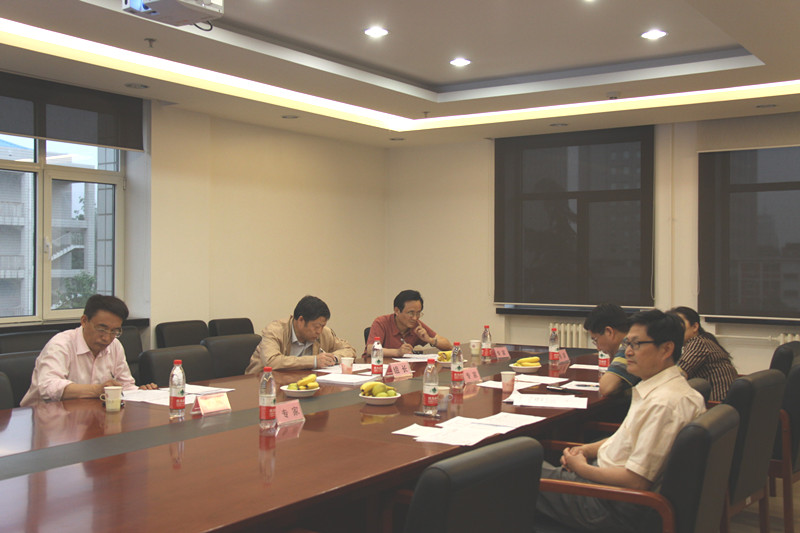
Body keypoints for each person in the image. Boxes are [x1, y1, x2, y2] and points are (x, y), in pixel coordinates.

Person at [537, 309, 706, 532]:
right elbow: (627, 438)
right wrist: (587, 450)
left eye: (637, 344)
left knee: (514, 473)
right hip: (609, 488)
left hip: (613, 504)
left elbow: (636, 480)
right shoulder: (664, 390)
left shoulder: (664, 404)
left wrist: (582, 468)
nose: (627, 352)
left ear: (666, 349)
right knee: (525, 465)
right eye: (627, 343)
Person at [20, 294, 157, 406]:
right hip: (44, 417)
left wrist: (141, 393)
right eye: (102, 329)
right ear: (84, 321)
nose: (107, 337)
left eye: (114, 331)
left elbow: (125, 386)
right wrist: (97, 390)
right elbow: (48, 387)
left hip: (90, 415)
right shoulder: (61, 344)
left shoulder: (115, 345)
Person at [245, 295, 356, 372]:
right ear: (301, 320)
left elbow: (349, 349)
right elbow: (271, 362)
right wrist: (314, 361)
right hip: (262, 385)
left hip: (302, 385)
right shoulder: (274, 331)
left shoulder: (323, 332)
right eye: (316, 326)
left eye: (322, 326)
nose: (319, 331)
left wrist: (333, 358)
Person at [669, 306, 738, 401]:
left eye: (679, 326)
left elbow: (678, 375)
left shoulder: (698, 343)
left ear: (695, 327)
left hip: (716, 404)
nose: (675, 331)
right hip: (722, 405)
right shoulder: (704, 340)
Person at [365, 290, 452, 357]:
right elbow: (370, 349)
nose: (415, 318)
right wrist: (397, 352)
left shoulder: (416, 325)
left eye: (418, 313)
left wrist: (430, 340)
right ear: (397, 311)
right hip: (376, 368)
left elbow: (448, 346)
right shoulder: (381, 322)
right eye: (411, 313)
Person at [583, 303, 640, 396]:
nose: (598, 348)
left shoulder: (629, 347)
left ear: (609, 332)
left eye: (596, 340)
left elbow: (606, 387)